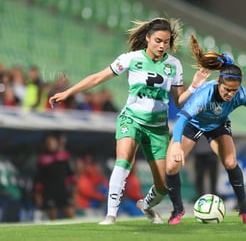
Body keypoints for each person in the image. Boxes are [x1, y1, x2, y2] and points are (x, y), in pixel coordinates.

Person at [48, 18, 210, 225]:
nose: (162, 46)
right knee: (123, 160)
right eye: (158, 40)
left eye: (166, 42)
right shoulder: (131, 59)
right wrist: (68, 91)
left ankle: (146, 205)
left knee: (163, 186)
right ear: (148, 38)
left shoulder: (173, 65)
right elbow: (98, 78)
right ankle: (110, 215)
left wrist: (194, 86)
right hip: (131, 118)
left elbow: (179, 102)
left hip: (157, 128)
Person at [165, 34, 246, 225]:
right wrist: (175, 144)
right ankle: (177, 210)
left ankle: (244, 209)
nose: (230, 94)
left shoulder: (242, 94)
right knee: (171, 166)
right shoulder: (205, 95)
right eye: (227, 90)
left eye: (234, 90)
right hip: (195, 124)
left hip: (218, 125)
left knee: (231, 162)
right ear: (218, 82)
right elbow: (182, 118)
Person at [33, 132, 76, 220]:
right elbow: (38, 178)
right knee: (52, 216)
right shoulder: (42, 158)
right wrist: (38, 195)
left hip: (63, 190)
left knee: (70, 213)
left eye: (52, 142)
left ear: (56, 143)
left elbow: (71, 175)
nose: (50, 145)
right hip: (49, 191)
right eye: (48, 143)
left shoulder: (64, 156)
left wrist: (73, 190)